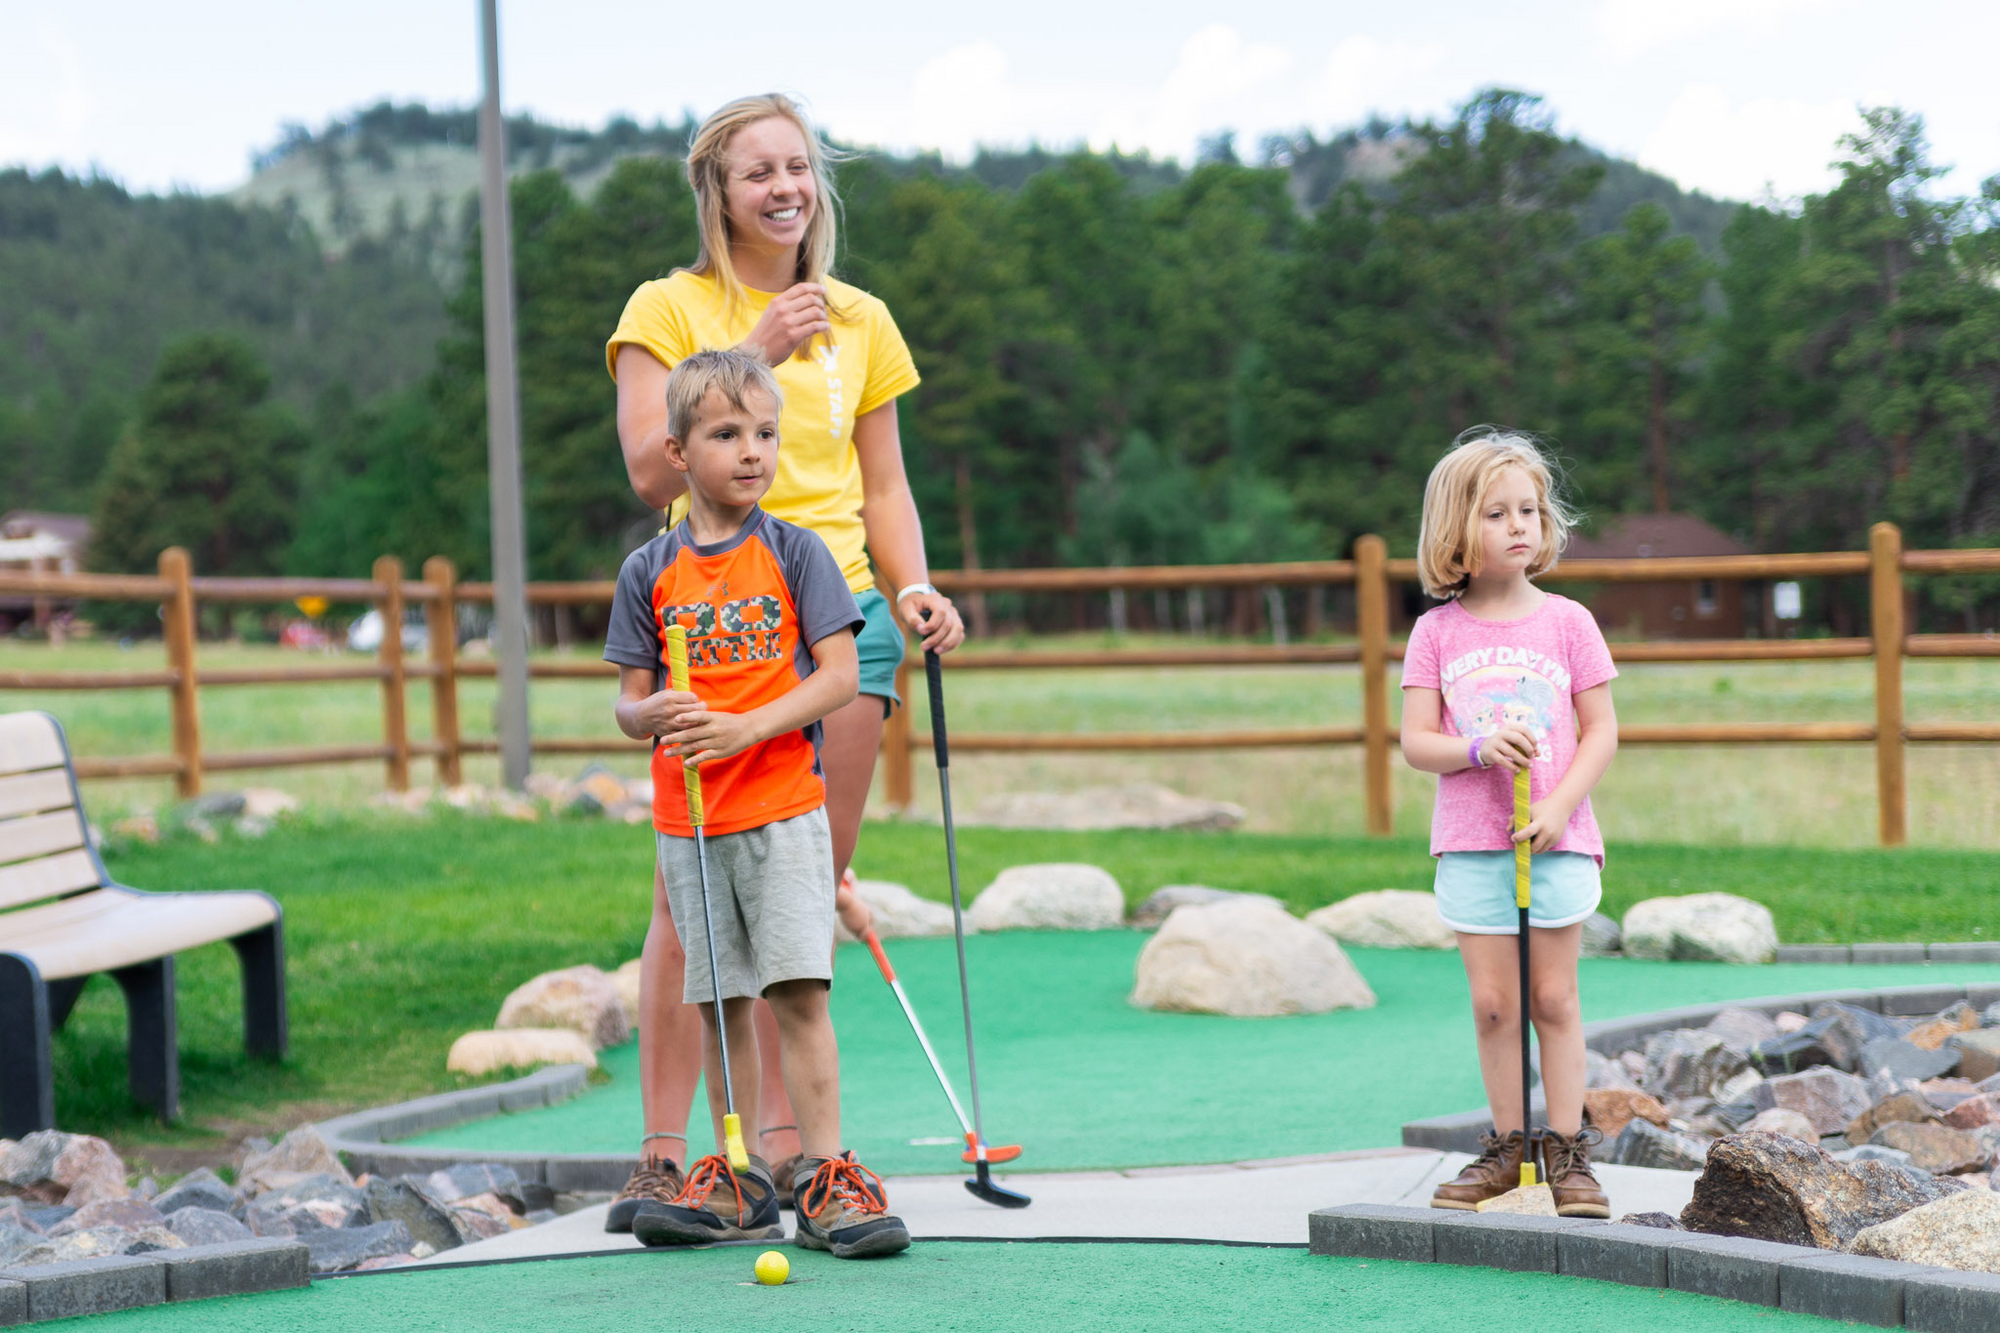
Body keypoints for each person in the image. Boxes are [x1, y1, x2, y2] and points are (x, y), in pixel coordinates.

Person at [602, 92, 965, 1224]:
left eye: (799, 168)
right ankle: (677, 1156)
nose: (785, 189)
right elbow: (646, 475)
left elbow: (885, 484)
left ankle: (788, 1159)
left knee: (795, 902)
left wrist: (909, 588)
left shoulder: (863, 318)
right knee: (689, 905)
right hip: (714, 626)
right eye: (758, 170)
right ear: (715, 189)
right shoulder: (667, 308)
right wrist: (747, 353)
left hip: (836, 619)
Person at [604, 348, 910, 1258]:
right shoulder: (647, 571)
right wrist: (645, 713)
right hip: (691, 823)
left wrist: (743, 729)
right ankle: (736, 1176)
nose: (752, 452)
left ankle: (825, 1177)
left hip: (779, 809)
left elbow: (840, 678)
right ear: (678, 450)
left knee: (798, 989)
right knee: (721, 999)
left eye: (766, 434)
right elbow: (629, 703)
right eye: (727, 434)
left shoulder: (795, 552)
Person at [1399, 428, 1619, 1218]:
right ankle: (1504, 1148)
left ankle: (1566, 1153)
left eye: (1529, 509)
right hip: (1472, 839)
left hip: (1555, 839)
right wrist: (1476, 746)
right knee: (1495, 1004)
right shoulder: (1437, 633)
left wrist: (1560, 806)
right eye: (1497, 513)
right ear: (1457, 528)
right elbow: (1416, 743)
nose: (1520, 525)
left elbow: (1603, 731)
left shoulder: (1568, 622)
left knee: (1553, 998)